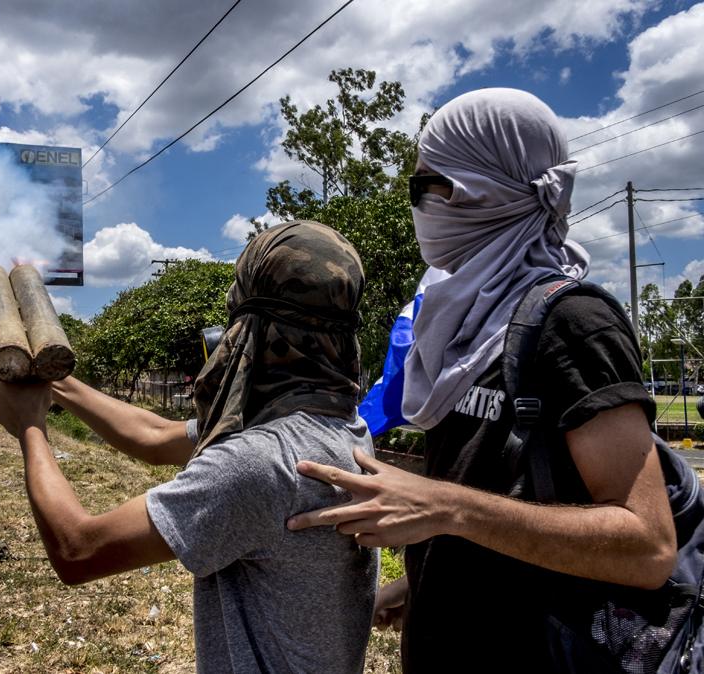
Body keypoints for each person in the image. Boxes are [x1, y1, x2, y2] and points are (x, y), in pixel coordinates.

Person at [286, 89, 675, 673]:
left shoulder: (570, 322)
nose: (415, 206)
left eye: (426, 187)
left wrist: (444, 507)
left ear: (486, 192)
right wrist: (423, 582)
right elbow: (501, 492)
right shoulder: (463, 321)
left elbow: (646, 545)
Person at [0, 221, 378, 673]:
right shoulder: (343, 429)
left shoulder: (260, 461)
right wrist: (56, 380)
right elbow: (154, 437)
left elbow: (78, 550)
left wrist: (30, 429)